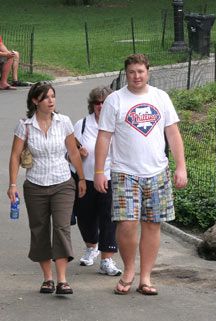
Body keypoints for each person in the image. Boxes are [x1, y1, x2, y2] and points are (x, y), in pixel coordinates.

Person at [94, 53, 187, 296]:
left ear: (148, 72)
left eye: (141, 71)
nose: (137, 76)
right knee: (126, 224)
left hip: (157, 171)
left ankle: (146, 277)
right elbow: (104, 137)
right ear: (127, 74)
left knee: (152, 225)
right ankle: (129, 270)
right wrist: (99, 171)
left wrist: (181, 167)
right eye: (132, 72)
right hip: (125, 172)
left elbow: (173, 133)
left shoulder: (160, 97)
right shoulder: (115, 100)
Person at [7, 82, 87, 295]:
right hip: (35, 185)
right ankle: (47, 278)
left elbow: (73, 152)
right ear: (35, 101)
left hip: (62, 183)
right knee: (40, 229)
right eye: (46, 97)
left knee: (62, 228)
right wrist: (12, 185)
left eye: (53, 96)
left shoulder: (64, 122)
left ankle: (62, 279)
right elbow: (15, 156)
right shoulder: (24, 125)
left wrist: (81, 178)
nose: (51, 101)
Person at [70, 86, 122, 276]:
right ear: (92, 105)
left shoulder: (118, 124)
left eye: (104, 102)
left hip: (110, 178)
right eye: (97, 103)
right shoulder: (82, 124)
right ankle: (92, 246)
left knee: (109, 219)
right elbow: (70, 148)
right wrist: (77, 152)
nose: (101, 106)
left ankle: (107, 260)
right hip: (85, 180)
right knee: (85, 218)